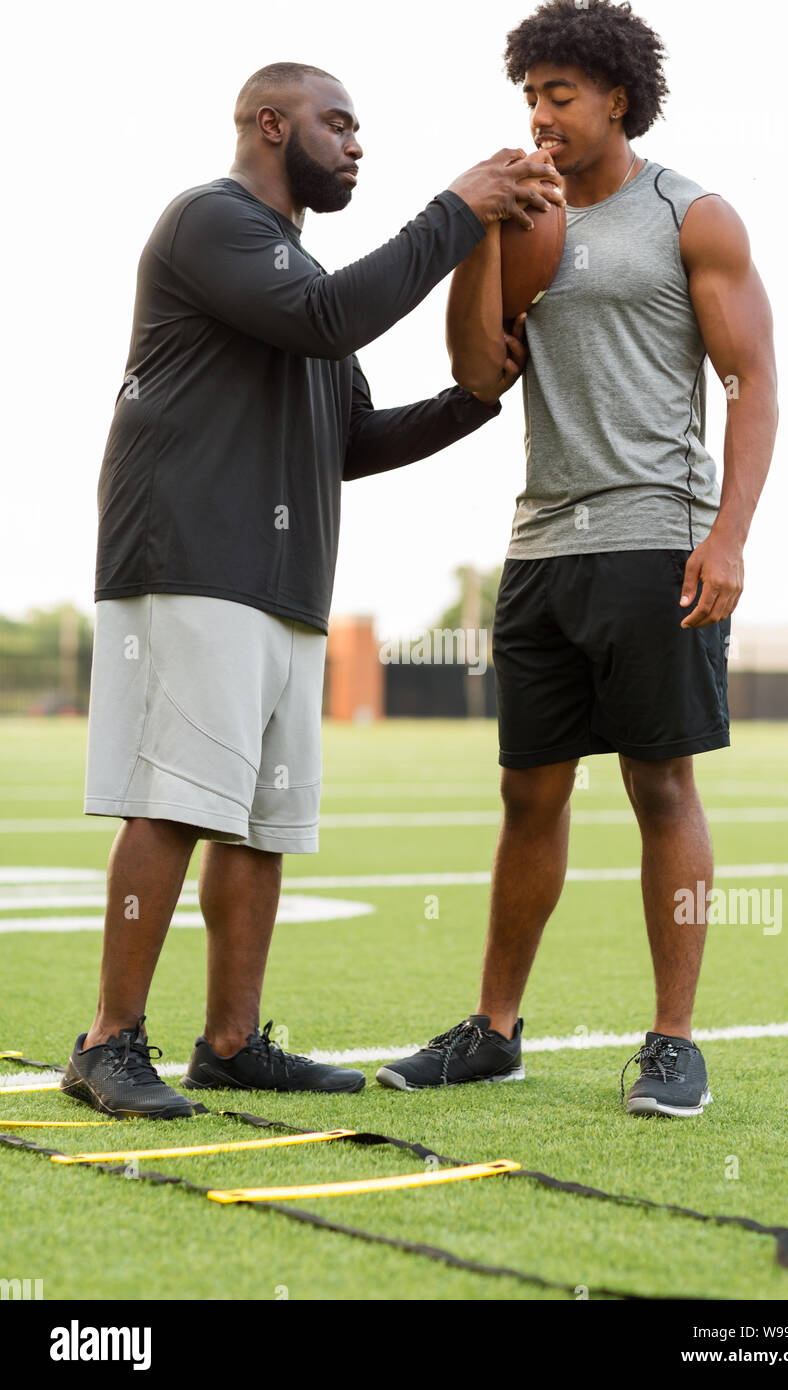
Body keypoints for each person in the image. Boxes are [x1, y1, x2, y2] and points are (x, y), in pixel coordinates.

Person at [62, 60, 563, 1119]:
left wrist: (478, 398)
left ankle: (232, 1044)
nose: (354, 144)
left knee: (260, 822)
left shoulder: (299, 272)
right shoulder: (213, 224)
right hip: (192, 563)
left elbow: (351, 440)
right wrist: (457, 210)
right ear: (268, 122)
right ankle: (108, 1039)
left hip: (283, 585)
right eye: (337, 125)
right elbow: (335, 316)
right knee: (175, 801)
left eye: (359, 129)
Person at [377, 0, 778, 1116]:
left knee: (658, 783)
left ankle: (672, 1040)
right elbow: (475, 372)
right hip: (543, 541)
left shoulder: (691, 216)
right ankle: (493, 1030)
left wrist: (728, 534)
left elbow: (753, 386)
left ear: (615, 98)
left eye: (559, 93)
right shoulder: (526, 215)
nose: (539, 115)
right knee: (525, 792)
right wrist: (480, 228)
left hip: (657, 533)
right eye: (528, 96)